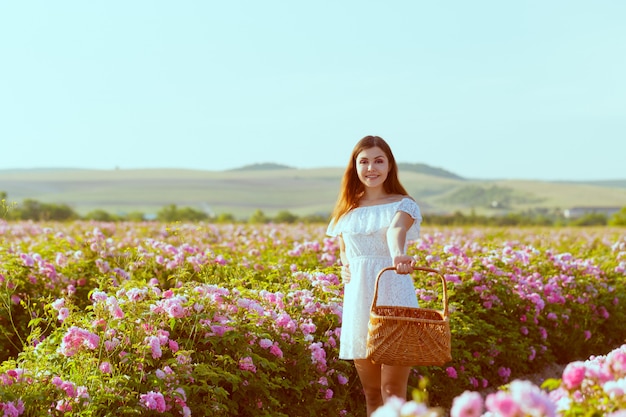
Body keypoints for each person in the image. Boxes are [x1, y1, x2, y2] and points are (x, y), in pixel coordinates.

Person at [327, 135, 422, 417]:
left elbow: (396, 231)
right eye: (364, 161)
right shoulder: (347, 211)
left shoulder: (403, 204)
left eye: (379, 161)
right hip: (359, 302)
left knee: (392, 392)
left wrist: (397, 256)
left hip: (394, 296)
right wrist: (345, 265)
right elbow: (345, 251)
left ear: (390, 165)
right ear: (354, 167)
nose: (372, 168)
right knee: (371, 394)